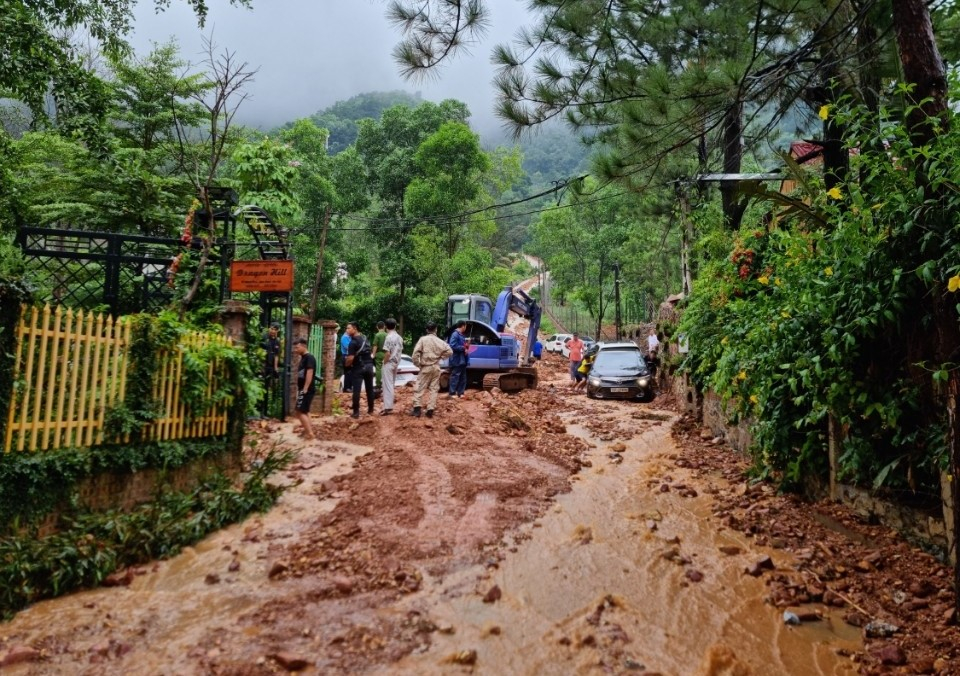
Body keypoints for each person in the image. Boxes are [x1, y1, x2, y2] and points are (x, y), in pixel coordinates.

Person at [410, 321, 452, 418]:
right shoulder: (440, 341)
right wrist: (440, 357)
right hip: (436, 367)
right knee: (434, 389)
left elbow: (415, 354)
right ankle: (430, 410)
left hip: (425, 367)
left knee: (419, 388)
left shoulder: (423, 340)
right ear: (436, 329)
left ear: (426, 330)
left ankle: (417, 410)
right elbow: (450, 351)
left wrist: (418, 364)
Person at [344, 321, 375, 418]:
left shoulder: (352, 343)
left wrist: (346, 365)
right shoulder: (365, 339)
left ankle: (356, 412)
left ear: (355, 328)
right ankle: (371, 409)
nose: (347, 330)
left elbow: (350, 358)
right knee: (369, 389)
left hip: (358, 367)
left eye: (349, 328)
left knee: (356, 390)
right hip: (369, 366)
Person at [293, 338, 316, 440]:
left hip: (306, 389)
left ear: (303, 346)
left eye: (297, 347)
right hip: (304, 388)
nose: (295, 350)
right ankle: (307, 431)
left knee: (299, 411)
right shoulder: (304, 357)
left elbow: (309, 373)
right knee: (304, 411)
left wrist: (305, 388)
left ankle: (310, 434)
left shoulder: (309, 358)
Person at [379, 318, 403, 415]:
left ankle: (388, 407)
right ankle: (389, 406)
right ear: (395, 326)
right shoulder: (399, 337)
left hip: (389, 363)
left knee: (387, 385)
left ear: (385, 327)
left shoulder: (388, 337)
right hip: (396, 362)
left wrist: (384, 362)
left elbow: (387, 353)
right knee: (391, 384)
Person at [260, 322, 281, 417]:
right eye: (271, 329)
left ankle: (269, 410)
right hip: (263, 366)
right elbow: (259, 351)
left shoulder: (277, 341)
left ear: (277, 331)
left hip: (271, 367)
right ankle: (260, 410)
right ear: (269, 328)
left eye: (275, 329)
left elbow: (276, 355)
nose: (272, 331)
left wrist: (276, 368)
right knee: (262, 386)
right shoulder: (264, 338)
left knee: (271, 387)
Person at [447, 320, 469, 398]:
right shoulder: (455, 334)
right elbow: (452, 346)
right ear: (463, 326)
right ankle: (452, 393)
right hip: (456, 359)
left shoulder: (461, 335)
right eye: (465, 326)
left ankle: (461, 393)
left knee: (463, 377)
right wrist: (463, 348)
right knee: (455, 376)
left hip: (462, 359)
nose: (465, 328)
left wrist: (466, 348)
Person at [340, 328, 353, 392]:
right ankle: (347, 388)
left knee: (350, 372)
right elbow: (348, 347)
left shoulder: (349, 337)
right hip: (345, 356)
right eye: (349, 329)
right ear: (346, 330)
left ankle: (349, 387)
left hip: (349, 356)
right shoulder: (344, 337)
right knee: (348, 372)